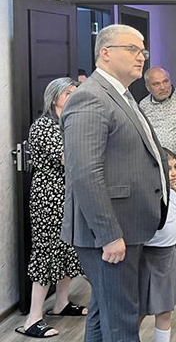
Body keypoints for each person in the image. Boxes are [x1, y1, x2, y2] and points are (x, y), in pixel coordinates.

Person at [61, 24, 169, 342]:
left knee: (105, 312)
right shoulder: (90, 97)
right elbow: (85, 172)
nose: (141, 57)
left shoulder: (121, 94)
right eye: (132, 49)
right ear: (105, 53)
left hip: (128, 225)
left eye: (143, 50)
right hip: (110, 231)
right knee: (121, 320)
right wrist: (108, 234)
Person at [15, 78, 86, 339]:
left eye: (75, 92)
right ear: (54, 97)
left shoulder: (68, 122)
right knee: (46, 253)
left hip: (67, 195)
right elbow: (69, 158)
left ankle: (61, 303)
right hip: (48, 197)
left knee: (66, 249)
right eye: (68, 93)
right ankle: (33, 318)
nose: (73, 96)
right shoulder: (43, 126)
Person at [139, 148, 176, 342]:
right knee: (139, 309)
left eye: (175, 167)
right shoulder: (147, 195)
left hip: (168, 256)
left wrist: (173, 190)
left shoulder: (174, 193)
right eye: (167, 169)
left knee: (165, 311)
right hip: (146, 256)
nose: (173, 173)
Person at [139, 67, 176, 157]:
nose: (162, 87)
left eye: (165, 81)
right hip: (155, 160)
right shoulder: (143, 105)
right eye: (156, 84)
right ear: (148, 87)